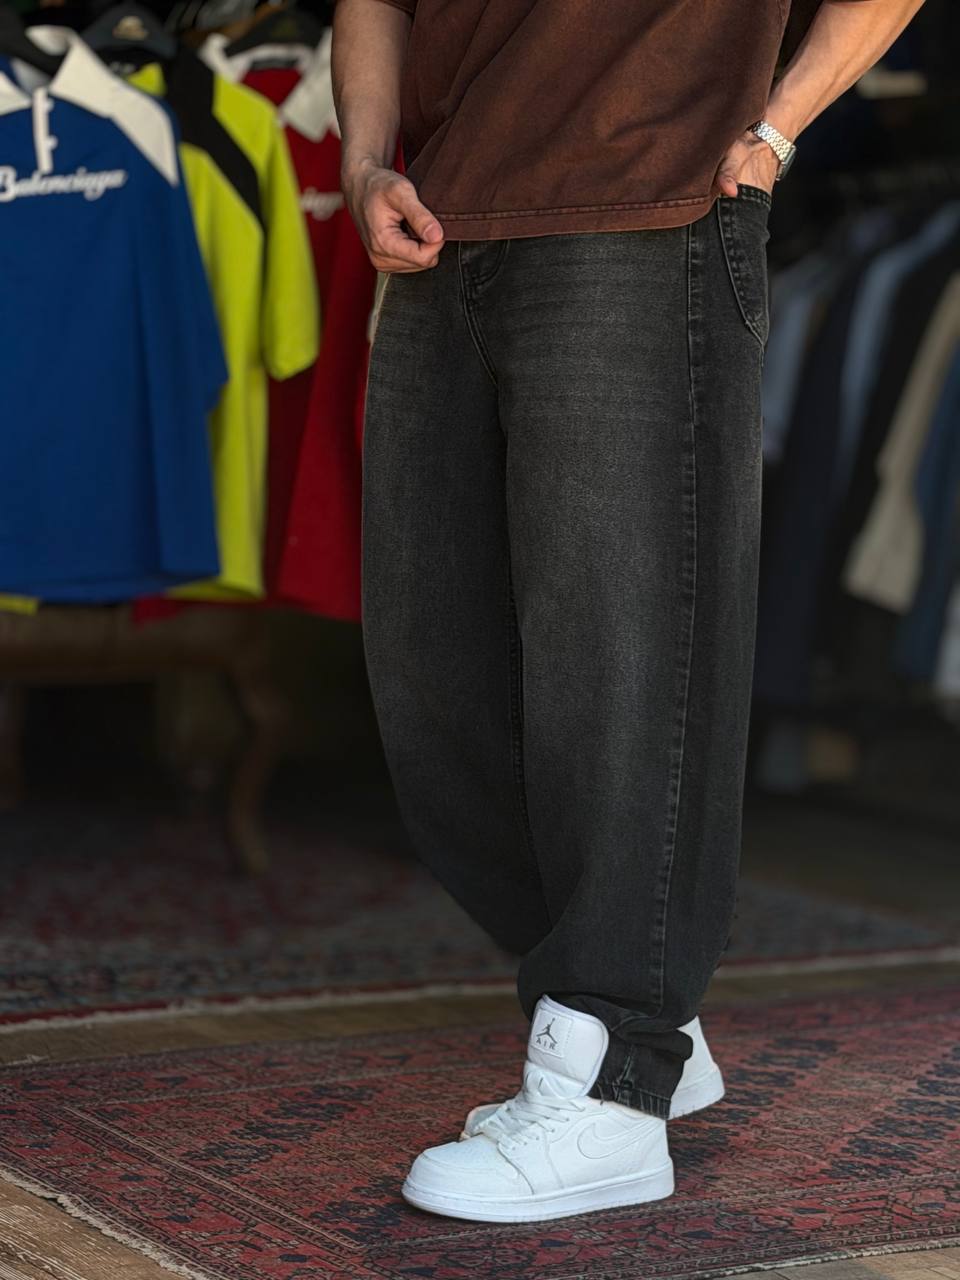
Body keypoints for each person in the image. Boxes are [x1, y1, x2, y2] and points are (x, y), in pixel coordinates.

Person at [333, 0, 926, 1224]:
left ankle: (610, 1067)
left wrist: (778, 129)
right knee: (433, 675)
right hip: (443, 217)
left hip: (647, 209)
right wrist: (364, 158)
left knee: (627, 659)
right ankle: (646, 1001)